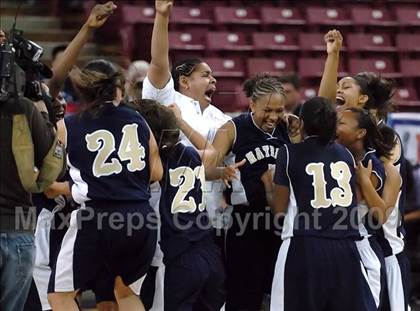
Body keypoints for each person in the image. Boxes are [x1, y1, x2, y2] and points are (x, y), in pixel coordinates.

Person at [47, 59, 163, 311]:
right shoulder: (139, 120)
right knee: (126, 293)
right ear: (118, 87)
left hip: (97, 217)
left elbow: (49, 174)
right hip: (141, 216)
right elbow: (156, 172)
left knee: (60, 295)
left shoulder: (67, 125)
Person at [319, 30, 411, 311]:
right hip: (347, 241)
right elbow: (321, 107)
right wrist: (332, 56)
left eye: (345, 87)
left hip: (382, 245)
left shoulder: (386, 138)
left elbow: (384, 198)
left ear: (361, 101)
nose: (338, 91)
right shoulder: (342, 132)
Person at [269, 96, 376, 311]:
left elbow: (279, 211)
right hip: (346, 247)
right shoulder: (345, 154)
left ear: (302, 123)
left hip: (305, 246)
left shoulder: (288, 153)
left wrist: (268, 186)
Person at [205, 73, 290, 310]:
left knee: (279, 294)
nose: (273, 116)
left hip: (282, 223)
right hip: (244, 223)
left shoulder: (288, 128)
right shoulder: (232, 128)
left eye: (279, 110)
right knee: (243, 295)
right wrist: (223, 172)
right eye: (268, 110)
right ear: (252, 104)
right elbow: (205, 168)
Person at [136, 99, 225, 311]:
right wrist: (181, 122)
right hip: (208, 251)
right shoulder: (189, 153)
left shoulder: (151, 165)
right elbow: (212, 153)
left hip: (178, 256)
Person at [336, 107, 401, 309]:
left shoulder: (371, 164)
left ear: (360, 133)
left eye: (341, 123)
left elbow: (378, 214)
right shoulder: (339, 154)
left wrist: (363, 181)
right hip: (338, 242)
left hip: (361, 243)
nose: (334, 127)